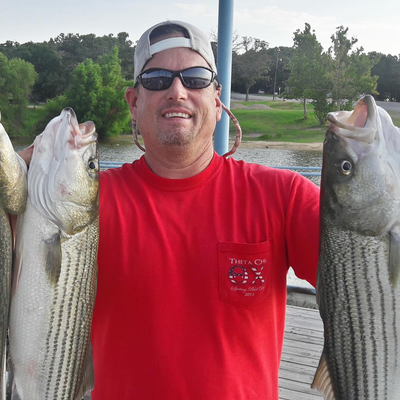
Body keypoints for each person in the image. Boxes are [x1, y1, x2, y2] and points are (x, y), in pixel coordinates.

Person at [89, 20, 320, 400]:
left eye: (195, 78)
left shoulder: (286, 195)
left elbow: (373, 273)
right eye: (158, 78)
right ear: (134, 102)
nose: (177, 91)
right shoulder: (83, 204)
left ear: (216, 100)